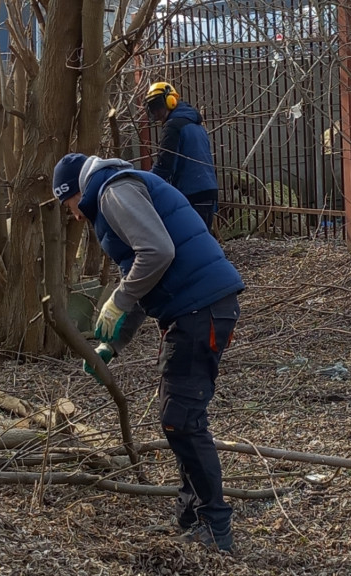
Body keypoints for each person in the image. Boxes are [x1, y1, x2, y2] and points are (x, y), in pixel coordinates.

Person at [52, 152, 244, 553]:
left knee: (182, 419)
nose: (72, 215)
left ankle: (216, 526)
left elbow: (157, 253)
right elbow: (144, 278)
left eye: (67, 205)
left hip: (200, 307)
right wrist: (112, 343)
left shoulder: (112, 191)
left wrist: (117, 299)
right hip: (194, 309)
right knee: (178, 418)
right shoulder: (114, 193)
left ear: (76, 192)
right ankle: (192, 518)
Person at [144, 82, 220, 230]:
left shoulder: (173, 126)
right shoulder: (195, 124)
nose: (156, 112)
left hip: (191, 194)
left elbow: (164, 167)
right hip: (208, 192)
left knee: (190, 245)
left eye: (158, 106)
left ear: (170, 101)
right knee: (200, 242)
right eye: (153, 108)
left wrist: (144, 182)